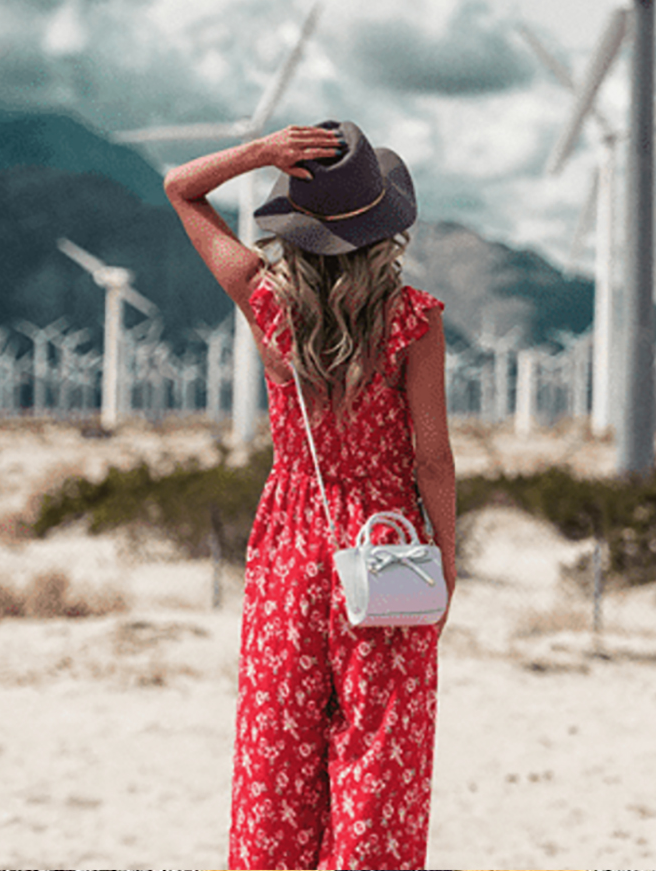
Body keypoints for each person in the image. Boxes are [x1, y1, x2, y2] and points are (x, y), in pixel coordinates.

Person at [163, 119, 456, 870]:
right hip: (386, 548)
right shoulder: (411, 322)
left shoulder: (267, 302)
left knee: (277, 758)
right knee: (376, 764)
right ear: (383, 227)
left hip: (292, 538)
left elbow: (180, 188)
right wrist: (446, 561)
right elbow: (432, 460)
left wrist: (260, 153)